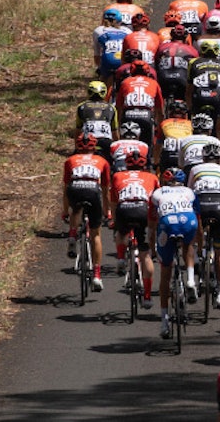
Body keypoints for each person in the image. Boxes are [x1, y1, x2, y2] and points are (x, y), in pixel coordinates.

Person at [189, 143, 220, 309]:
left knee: (193, 235)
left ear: (203, 158)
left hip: (200, 205)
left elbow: (189, 193)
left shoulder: (195, 169)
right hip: (219, 207)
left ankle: (197, 255)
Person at [62, 132, 112, 292]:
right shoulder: (102, 161)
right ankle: (97, 275)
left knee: (76, 209)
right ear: (94, 147)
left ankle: (72, 234)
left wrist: (65, 210)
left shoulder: (70, 160)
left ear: (77, 146)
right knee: (96, 234)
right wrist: (107, 210)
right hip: (93, 190)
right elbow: (105, 191)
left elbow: (65, 189)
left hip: (75, 187)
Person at [152, 166, 199, 338]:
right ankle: (191, 281)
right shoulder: (189, 191)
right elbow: (197, 215)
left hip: (167, 224)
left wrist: (152, 246)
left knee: (165, 272)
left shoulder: (157, 193)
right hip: (189, 222)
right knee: (188, 246)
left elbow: (152, 223)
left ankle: (164, 321)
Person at [111, 148, 160, 309]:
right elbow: (156, 201)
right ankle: (147, 296)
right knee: (145, 255)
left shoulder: (117, 176)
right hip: (142, 209)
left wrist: (114, 221)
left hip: (124, 208)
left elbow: (113, 202)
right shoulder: (152, 177)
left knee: (121, 232)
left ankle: (120, 258)